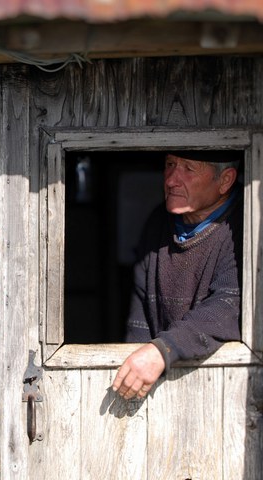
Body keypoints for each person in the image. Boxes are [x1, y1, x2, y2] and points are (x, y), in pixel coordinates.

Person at [111, 150, 243, 400]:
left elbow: (230, 304)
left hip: (223, 393)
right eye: (170, 164)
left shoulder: (244, 225)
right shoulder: (159, 221)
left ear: (225, 180)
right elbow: (140, 318)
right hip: (162, 389)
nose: (171, 179)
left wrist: (163, 350)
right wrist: (134, 367)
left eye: (189, 169)